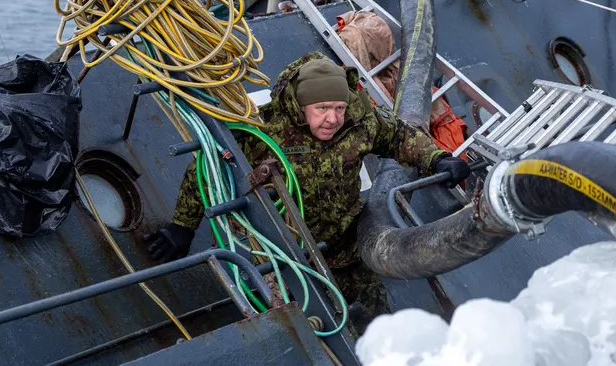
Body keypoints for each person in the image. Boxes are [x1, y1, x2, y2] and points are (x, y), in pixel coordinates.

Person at [144, 52, 471, 332]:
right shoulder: (261, 131)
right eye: (323, 108)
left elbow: (398, 137)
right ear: (302, 106)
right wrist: (182, 227)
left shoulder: (358, 120)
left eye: (339, 108)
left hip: (346, 247)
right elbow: (206, 170)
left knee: (376, 322)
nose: (333, 119)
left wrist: (437, 158)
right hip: (288, 258)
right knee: (313, 329)